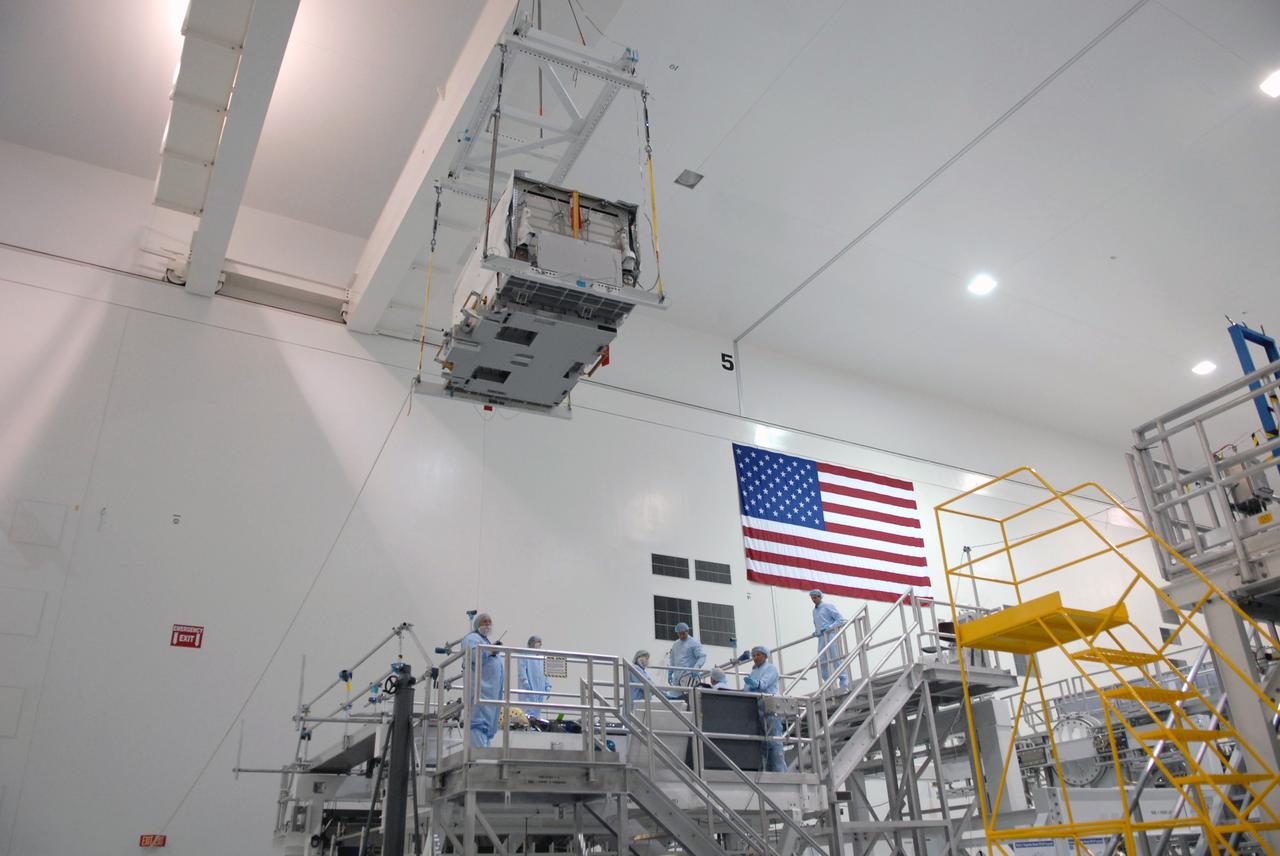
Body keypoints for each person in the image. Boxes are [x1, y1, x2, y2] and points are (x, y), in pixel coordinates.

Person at [461, 613, 504, 747]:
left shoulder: (486, 641)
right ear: (477, 624)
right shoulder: (472, 638)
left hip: (490, 692)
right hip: (480, 689)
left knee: (485, 725)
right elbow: (473, 655)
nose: (487, 625)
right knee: (478, 723)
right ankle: (477, 759)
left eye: (489, 622)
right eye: (484, 622)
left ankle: (482, 757)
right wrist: (490, 652)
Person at [744, 646, 787, 772]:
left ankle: (780, 773)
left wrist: (755, 684)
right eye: (754, 656)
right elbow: (747, 690)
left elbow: (763, 684)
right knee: (763, 744)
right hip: (758, 710)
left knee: (774, 742)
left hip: (770, 709)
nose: (755, 658)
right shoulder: (753, 672)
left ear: (765, 656)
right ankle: (767, 771)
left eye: (758, 655)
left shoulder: (771, 668)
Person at [810, 589, 848, 690]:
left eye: (815, 597)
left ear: (820, 597)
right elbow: (817, 623)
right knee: (821, 661)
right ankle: (829, 684)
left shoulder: (828, 606)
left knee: (836, 658)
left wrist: (830, 627)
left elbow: (840, 619)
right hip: (822, 638)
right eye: (812, 597)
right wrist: (816, 632)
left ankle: (844, 682)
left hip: (831, 635)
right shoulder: (814, 611)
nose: (813, 599)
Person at [518, 634, 552, 720]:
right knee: (528, 708)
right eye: (537, 642)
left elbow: (546, 672)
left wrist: (548, 686)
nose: (539, 644)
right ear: (531, 643)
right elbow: (522, 669)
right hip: (529, 687)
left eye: (540, 643)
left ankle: (536, 724)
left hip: (540, 688)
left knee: (538, 707)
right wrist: (525, 681)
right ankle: (527, 725)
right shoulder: (524, 655)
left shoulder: (542, 656)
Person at [668, 622, 707, 687]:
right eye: (679, 634)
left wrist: (696, 667)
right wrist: (670, 672)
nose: (681, 636)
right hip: (677, 677)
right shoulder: (676, 644)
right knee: (676, 696)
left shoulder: (694, 643)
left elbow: (702, 656)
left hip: (690, 676)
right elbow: (672, 659)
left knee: (690, 696)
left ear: (687, 631)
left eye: (683, 634)